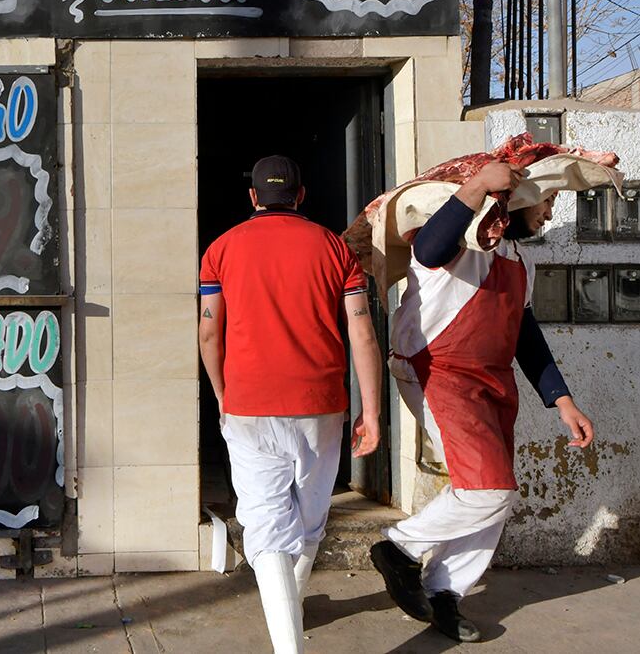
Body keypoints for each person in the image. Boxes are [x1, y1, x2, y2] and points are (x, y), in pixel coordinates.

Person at [370, 161, 596, 643]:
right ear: (517, 198)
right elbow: (430, 248)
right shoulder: (461, 240)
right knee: (487, 490)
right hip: (437, 371)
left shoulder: (520, 259)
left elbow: (525, 334)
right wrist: (476, 186)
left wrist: (562, 400)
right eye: (548, 201)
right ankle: (398, 548)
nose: (550, 215)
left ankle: (445, 593)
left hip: (492, 382)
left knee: (495, 495)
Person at [199, 155, 383, 654]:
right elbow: (362, 331)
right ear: (300, 196)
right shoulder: (335, 250)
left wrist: (220, 392)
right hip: (321, 405)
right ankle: (289, 611)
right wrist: (372, 409)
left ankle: (288, 640)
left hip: (250, 404)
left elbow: (210, 330)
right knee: (307, 521)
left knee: (267, 524)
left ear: (254, 197)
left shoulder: (221, 250)